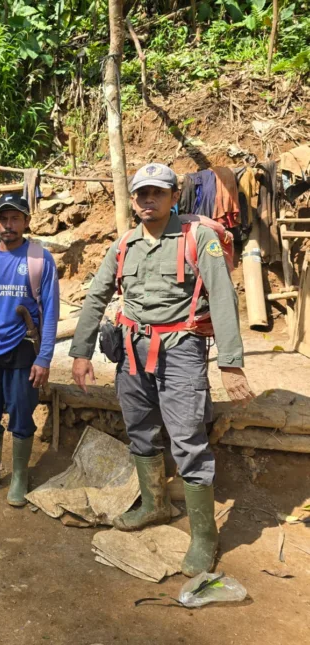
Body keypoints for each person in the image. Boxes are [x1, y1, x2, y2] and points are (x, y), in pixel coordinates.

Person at [69, 163, 255, 577]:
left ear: (173, 196)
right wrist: (81, 353)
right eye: (141, 194)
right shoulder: (124, 246)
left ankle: (204, 538)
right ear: (133, 201)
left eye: (157, 193)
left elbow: (223, 298)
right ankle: (155, 505)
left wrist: (231, 364)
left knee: (188, 439)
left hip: (181, 349)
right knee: (140, 429)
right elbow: (97, 294)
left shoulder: (197, 238)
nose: (148, 200)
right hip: (132, 351)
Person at [0, 194, 60, 506]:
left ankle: (19, 475)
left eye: (15, 218)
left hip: (22, 348)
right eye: (3, 219)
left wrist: (44, 357)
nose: (9, 225)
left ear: (27, 221)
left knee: (21, 410)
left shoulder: (39, 259)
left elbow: (52, 312)